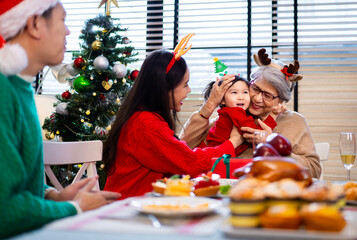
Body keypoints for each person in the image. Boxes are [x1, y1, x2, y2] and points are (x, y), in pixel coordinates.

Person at [0, 1, 121, 238]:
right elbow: (4, 211)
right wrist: (74, 208)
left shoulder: (18, 87)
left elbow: (16, 181)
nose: (68, 31)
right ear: (35, 24)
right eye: (63, 19)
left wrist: (53, 195)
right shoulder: (3, 91)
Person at [102, 34, 242, 199]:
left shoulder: (145, 118)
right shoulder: (145, 124)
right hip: (128, 209)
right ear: (164, 88)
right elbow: (190, 162)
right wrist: (232, 144)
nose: (189, 91)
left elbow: (179, 154)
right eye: (185, 85)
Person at [180, 48, 321, 178]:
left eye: (268, 95)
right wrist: (209, 105)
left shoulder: (294, 122)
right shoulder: (231, 114)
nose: (258, 99)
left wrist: (275, 146)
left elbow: (314, 170)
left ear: (281, 101)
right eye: (255, 89)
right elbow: (182, 149)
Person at [202, 75, 285, 155]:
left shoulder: (227, 111)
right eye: (234, 92)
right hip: (217, 155)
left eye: (245, 92)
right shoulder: (235, 112)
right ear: (222, 100)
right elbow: (254, 133)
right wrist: (273, 115)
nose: (241, 97)